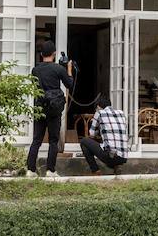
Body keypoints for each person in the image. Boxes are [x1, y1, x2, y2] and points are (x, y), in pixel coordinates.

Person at [26, 40, 74, 178]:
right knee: (53, 140)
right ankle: (50, 170)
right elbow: (69, 84)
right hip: (54, 108)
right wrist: (69, 69)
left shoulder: (35, 70)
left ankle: (30, 170)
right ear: (54, 54)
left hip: (40, 107)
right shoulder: (58, 69)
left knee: (37, 139)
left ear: (41, 54)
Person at [79, 93, 129, 175]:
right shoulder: (121, 113)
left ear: (98, 107)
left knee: (84, 141)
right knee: (107, 147)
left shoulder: (99, 113)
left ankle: (95, 171)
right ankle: (116, 166)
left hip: (110, 156)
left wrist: (98, 129)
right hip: (123, 157)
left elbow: (91, 134)